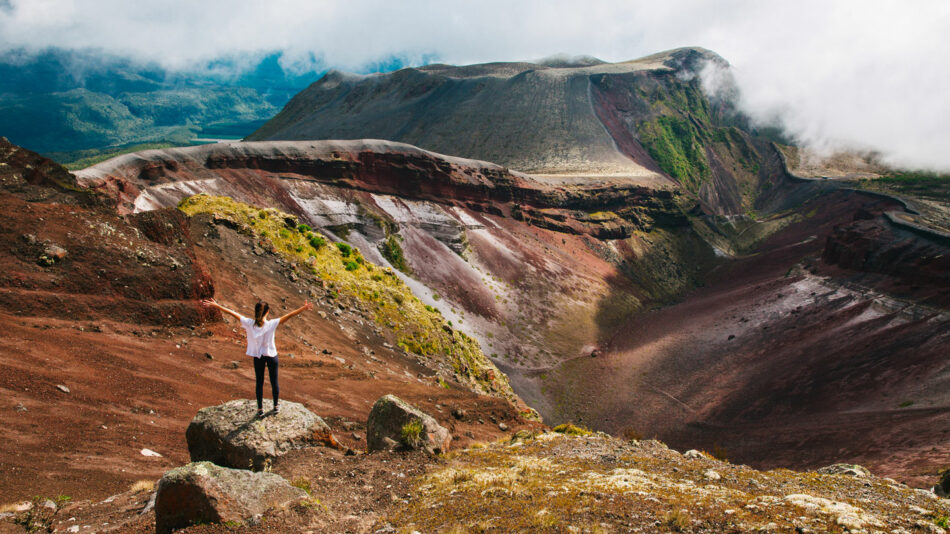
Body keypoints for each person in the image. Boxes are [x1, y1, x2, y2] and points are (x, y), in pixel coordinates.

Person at [201, 297, 313, 417]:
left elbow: (232, 313)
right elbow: (289, 315)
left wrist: (217, 306)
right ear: (268, 312)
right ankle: (275, 406)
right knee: (274, 381)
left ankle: (260, 409)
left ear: (255, 312)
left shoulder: (249, 323)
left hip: (258, 356)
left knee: (259, 382)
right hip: (271, 355)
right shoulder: (271, 324)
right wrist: (303, 308)